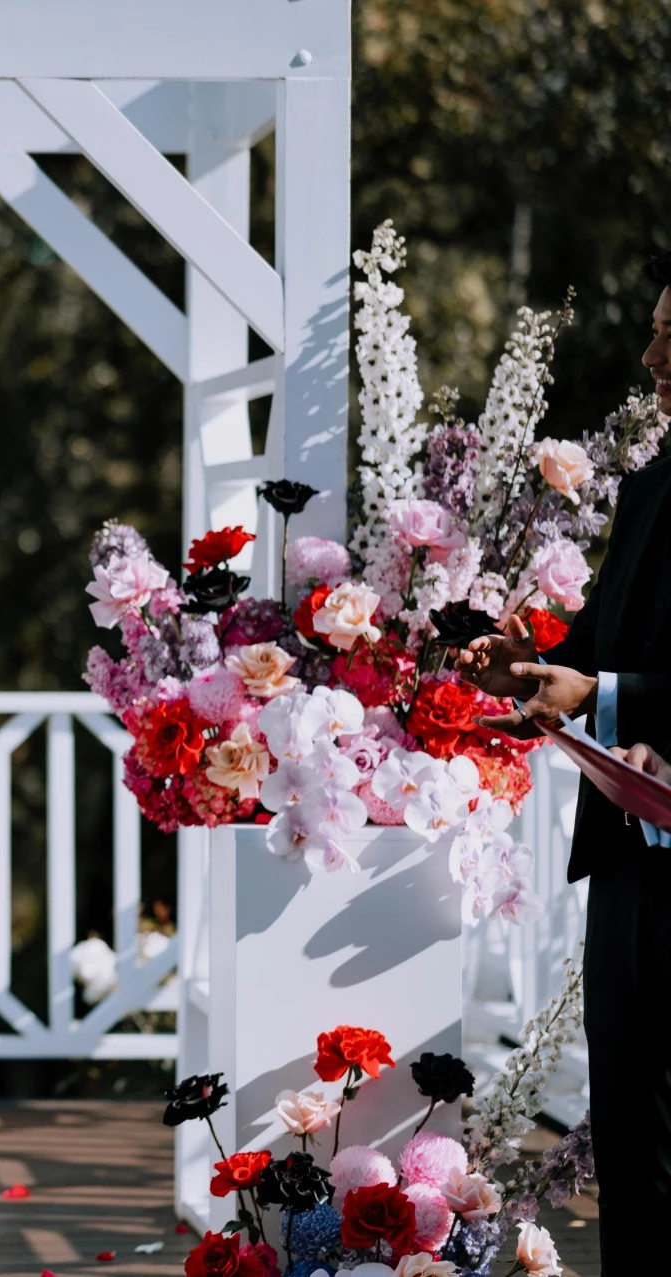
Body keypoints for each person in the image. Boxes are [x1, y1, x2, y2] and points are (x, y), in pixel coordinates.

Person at [457, 250, 671, 1265]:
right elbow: (600, 654)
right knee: (631, 1135)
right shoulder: (650, 486)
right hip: (629, 863)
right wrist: (525, 669)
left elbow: (615, 683)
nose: (650, 355)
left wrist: (603, 696)